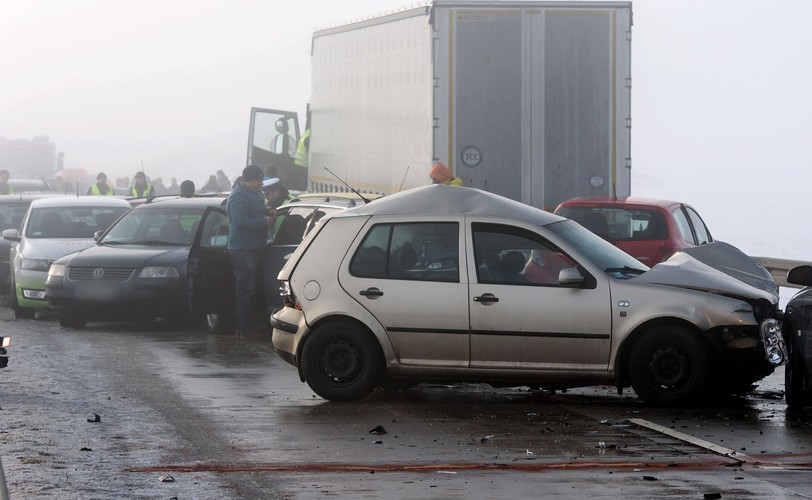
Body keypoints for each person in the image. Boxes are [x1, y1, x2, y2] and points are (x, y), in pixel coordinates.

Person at [226, 165, 274, 338]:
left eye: (261, 180)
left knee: (251, 289)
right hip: (242, 250)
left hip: (255, 247)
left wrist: (268, 212)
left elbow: (256, 211)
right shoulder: (238, 196)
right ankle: (243, 328)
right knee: (246, 289)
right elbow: (239, 221)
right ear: (248, 180)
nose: (260, 183)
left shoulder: (255, 193)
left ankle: (248, 325)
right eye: (258, 180)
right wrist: (264, 223)